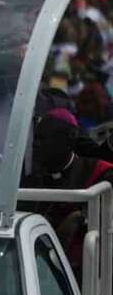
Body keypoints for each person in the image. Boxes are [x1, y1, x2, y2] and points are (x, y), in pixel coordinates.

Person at [23, 109, 113, 279]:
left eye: (43, 139)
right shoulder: (31, 182)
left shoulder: (100, 173)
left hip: (88, 272)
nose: (36, 145)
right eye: (36, 139)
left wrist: (78, 218)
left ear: (68, 142)